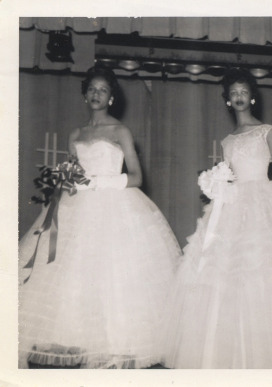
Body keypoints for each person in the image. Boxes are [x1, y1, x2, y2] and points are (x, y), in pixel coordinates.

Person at [161, 68, 272, 369]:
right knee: (227, 276)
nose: (239, 97)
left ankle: (269, 355)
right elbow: (228, 176)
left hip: (264, 205)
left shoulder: (268, 131)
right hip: (233, 207)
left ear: (252, 97)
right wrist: (217, 184)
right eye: (233, 93)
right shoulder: (226, 140)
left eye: (244, 91)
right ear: (228, 100)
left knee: (265, 276)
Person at [18, 67, 181, 369]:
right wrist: (65, 180)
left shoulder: (120, 131)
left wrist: (98, 182)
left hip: (115, 206)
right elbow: (74, 171)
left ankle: (112, 347)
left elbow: (136, 177)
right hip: (77, 209)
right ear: (85, 94)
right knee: (71, 272)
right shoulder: (76, 134)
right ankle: (78, 340)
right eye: (92, 89)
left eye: (103, 90)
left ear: (111, 97)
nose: (96, 94)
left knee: (114, 275)